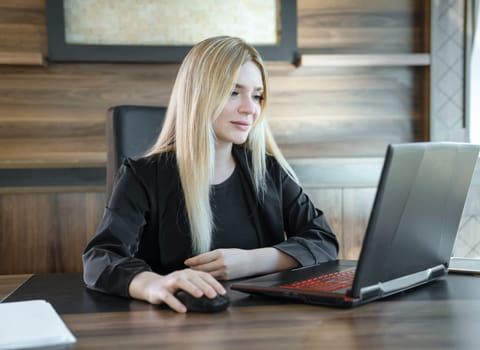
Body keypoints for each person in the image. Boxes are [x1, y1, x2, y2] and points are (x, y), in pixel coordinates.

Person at [82, 36, 339, 313]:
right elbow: (101, 257)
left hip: (262, 321)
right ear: (198, 94)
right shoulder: (143, 176)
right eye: (233, 92)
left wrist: (254, 261)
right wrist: (153, 284)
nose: (250, 108)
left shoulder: (269, 172)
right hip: (174, 325)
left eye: (257, 95)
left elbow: (323, 240)